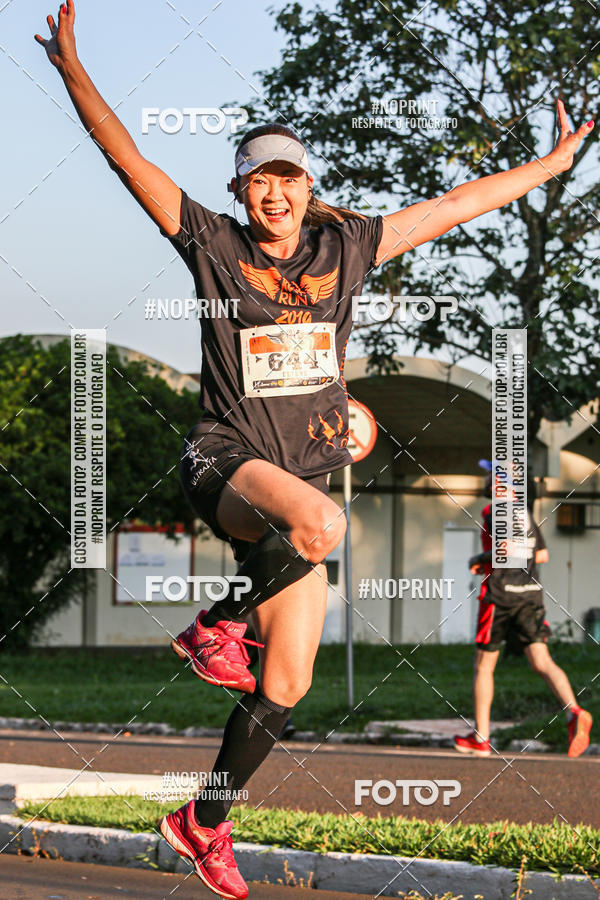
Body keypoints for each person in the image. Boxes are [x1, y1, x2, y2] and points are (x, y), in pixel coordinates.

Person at [36, 5, 595, 895]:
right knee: (321, 517)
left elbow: (453, 206)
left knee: (287, 685)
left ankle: (203, 820)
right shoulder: (214, 246)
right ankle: (216, 621)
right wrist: (73, 71)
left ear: (306, 187)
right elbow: (128, 159)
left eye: (289, 178)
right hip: (226, 463)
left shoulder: (350, 246)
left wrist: (552, 164)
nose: (275, 193)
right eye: (259, 179)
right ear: (243, 188)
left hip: (290, 508)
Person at [454, 461, 593, 759]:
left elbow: (505, 550)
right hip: (531, 595)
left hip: (500, 596)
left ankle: (482, 737)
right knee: (541, 662)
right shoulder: (525, 514)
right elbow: (542, 555)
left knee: (484, 666)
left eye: (490, 476)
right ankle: (574, 711)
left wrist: (480, 558)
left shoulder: (494, 511)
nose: (486, 480)